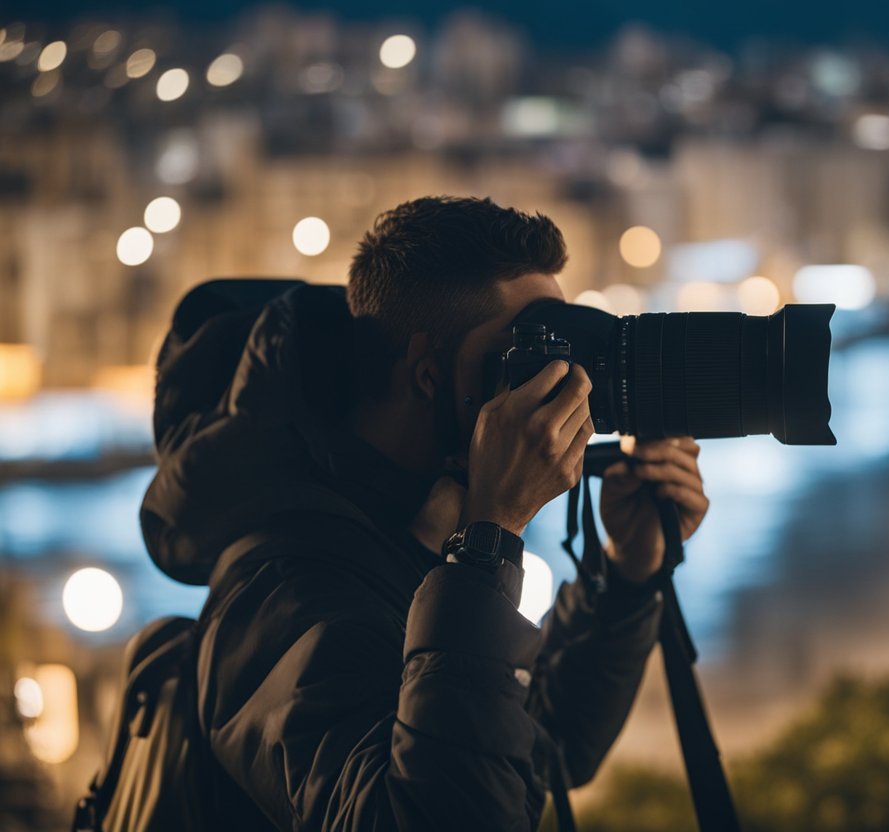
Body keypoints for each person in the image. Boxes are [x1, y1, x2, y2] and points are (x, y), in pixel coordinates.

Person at [139, 195, 710, 829]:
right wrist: (491, 538)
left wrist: (625, 578)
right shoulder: (279, 596)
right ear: (429, 375)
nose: (554, 381)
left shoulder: (405, 531)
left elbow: (532, 751)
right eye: (526, 355)